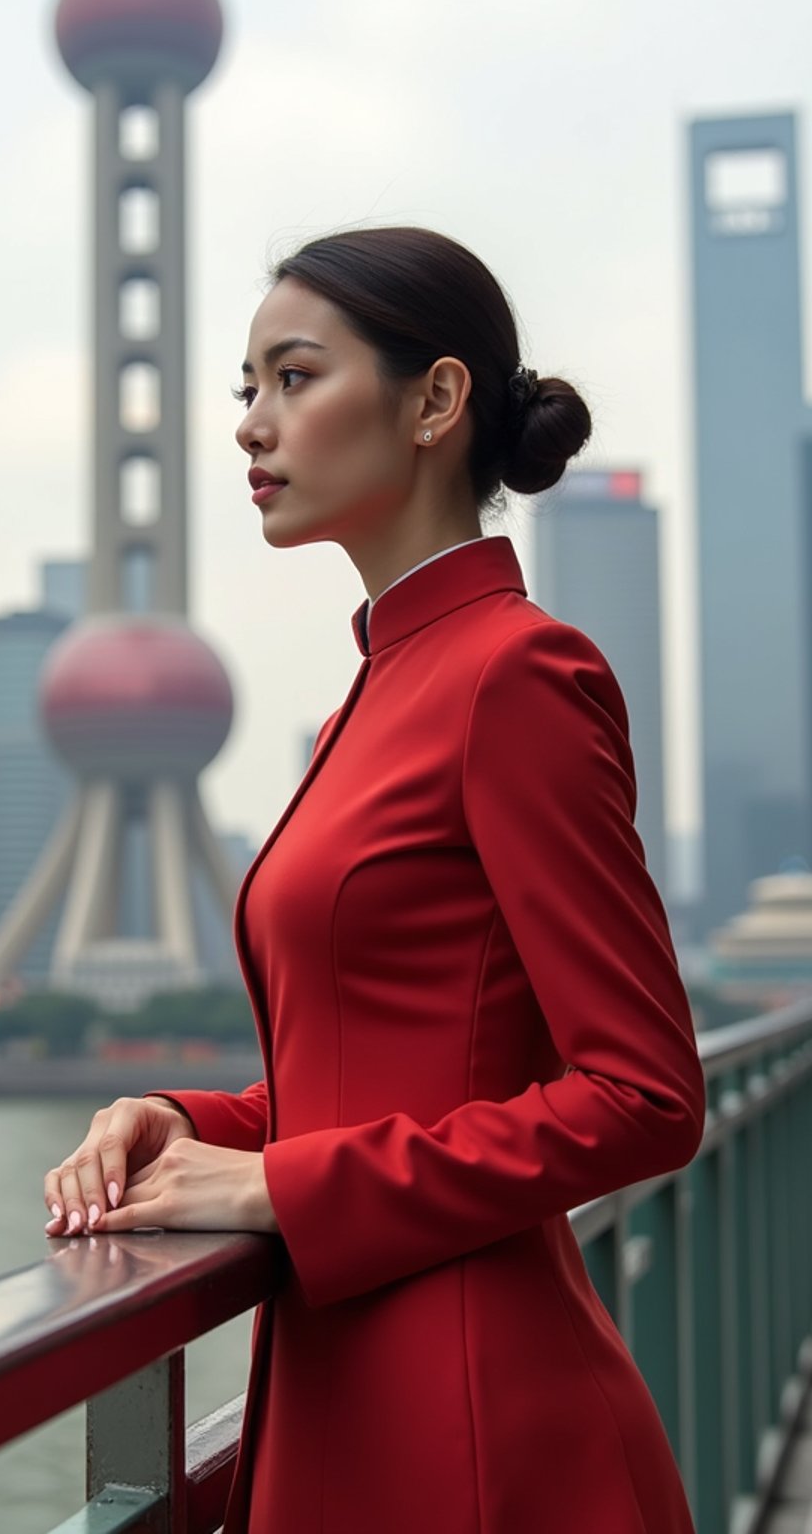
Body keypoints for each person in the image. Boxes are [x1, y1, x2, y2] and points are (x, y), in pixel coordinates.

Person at [43, 225, 706, 1534]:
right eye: (247, 389)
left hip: (472, 1432)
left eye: (294, 378)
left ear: (436, 403)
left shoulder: (515, 677)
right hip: (342, 1400)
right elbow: (396, 1064)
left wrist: (278, 1186)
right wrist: (198, 1122)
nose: (251, 425)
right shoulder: (387, 684)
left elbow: (644, 1097)